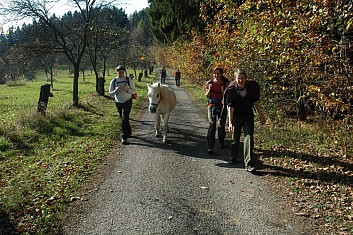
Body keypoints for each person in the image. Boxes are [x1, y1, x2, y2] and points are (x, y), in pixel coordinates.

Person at [223, 69, 266, 172]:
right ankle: (233, 157)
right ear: (235, 79)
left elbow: (256, 102)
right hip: (236, 116)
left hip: (248, 116)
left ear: (246, 79)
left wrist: (261, 116)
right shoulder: (231, 90)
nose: (240, 80)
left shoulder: (251, 88)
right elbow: (230, 108)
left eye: (242, 78)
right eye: (238, 78)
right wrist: (230, 122)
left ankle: (249, 163)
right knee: (235, 137)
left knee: (249, 137)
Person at [109, 65, 136, 145]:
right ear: (117, 72)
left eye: (122, 72)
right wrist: (115, 91)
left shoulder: (128, 79)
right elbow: (110, 94)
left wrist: (128, 90)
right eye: (119, 72)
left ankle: (124, 137)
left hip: (127, 101)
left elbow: (134, 91)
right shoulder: (113, 81)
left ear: (124, 72)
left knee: (125, 117)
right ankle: (128, 131)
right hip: (118, 102)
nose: (121, 73)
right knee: (123, 118)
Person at [205, 67, 230, 154]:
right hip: (212, 105)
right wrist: (210, 90)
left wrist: (223, 90)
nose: (216, 75)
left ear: (221, 74)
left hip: (222, 106)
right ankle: (210, 146)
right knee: (212, 125)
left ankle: (221, 141)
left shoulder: (225, 83)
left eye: (218, 73)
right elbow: (207, 96)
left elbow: (227, 96)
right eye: (215, 73)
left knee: (221, 125)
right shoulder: (209, 83)